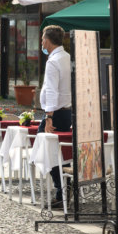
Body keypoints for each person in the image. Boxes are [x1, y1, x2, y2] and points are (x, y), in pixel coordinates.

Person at [40, 25, 72, 205]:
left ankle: (62, 191)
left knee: (49, 150)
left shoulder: (53, 61)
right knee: (60, 151)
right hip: (65, 111)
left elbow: (52, 91)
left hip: (56, 113)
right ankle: (64, 188)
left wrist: (48, 116)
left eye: (43, 38)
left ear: (49, 40)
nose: (42, 42)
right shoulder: (66, 57)